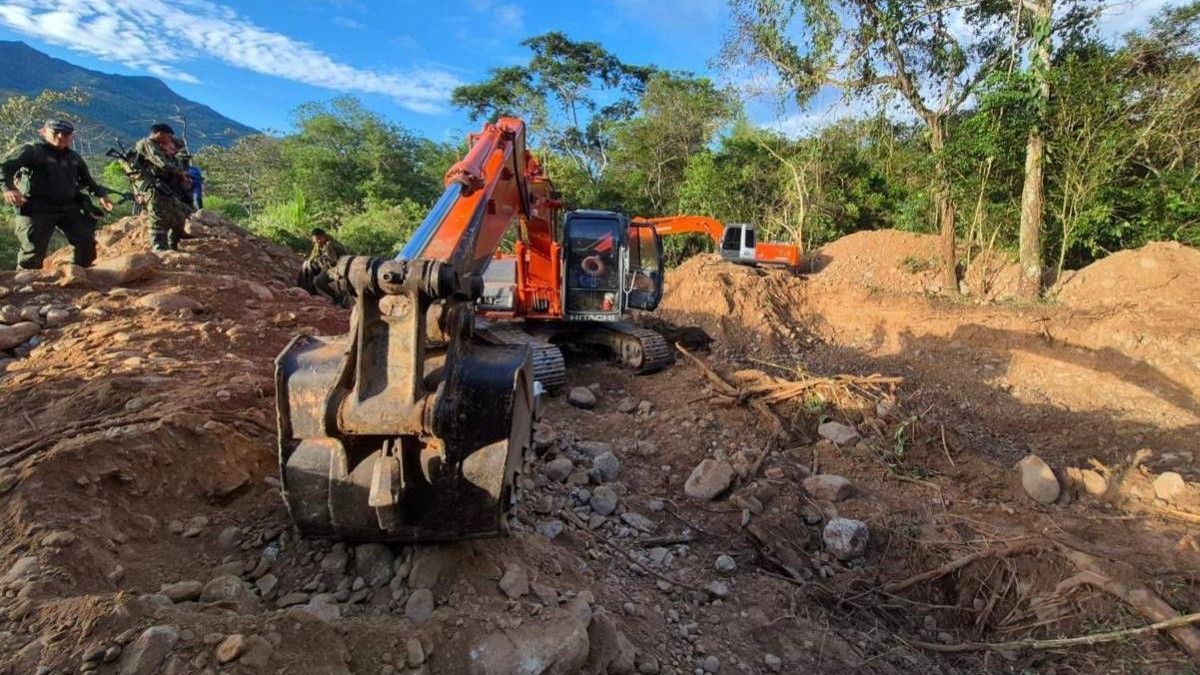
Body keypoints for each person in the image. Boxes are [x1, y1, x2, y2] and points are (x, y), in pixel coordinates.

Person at [0, 119, 113, 270]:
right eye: (55, 132)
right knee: (32, 252)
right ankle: (26, 287)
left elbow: (87, 180)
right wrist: (9, 189)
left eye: (66, 134)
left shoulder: (74, 158)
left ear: (72, 136)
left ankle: (79, 276)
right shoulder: (33, 151)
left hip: (68, 207)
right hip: (36, 208)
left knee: (86, 242)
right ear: (44, 132)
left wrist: (101, 194)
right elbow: (4, 166)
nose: (60, 136)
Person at [132, 123, 193, 252]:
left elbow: (178, 145)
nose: (169, 140)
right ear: (159, 133)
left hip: (164, 185)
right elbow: (162, 164)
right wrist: (180, 173)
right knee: (158, 217)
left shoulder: (159, 145)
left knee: (178, 213)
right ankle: (159, 248)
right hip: (152, 185)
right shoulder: (146, 144)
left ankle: (173, 244)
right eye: (168, 137)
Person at [298, 227, 348, 303]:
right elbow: (314, 256)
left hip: (337, 267)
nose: (316, 241)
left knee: (319, 281)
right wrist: (311, 262)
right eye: (315, 240)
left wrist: (320, 262)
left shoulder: (330, 244)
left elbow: (332, 261)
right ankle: (307, 290)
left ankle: (337, 297)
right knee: (307, 266)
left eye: (318, 239)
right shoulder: (319, 244)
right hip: (326, 266)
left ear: (323, 236)